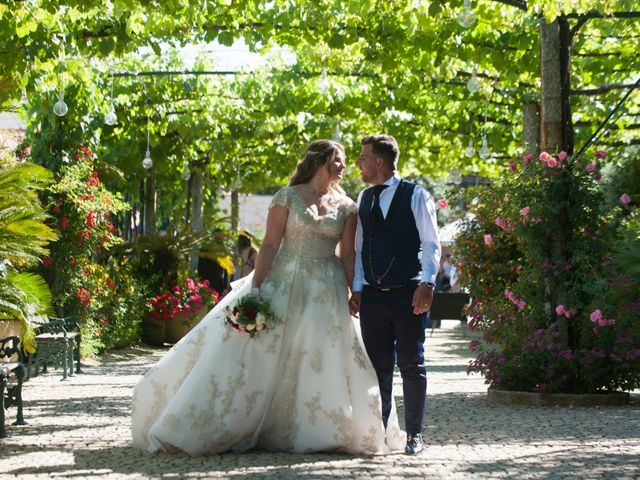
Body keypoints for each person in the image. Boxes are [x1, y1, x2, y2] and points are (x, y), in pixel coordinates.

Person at [131, 139, 404, 455]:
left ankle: (317, 426)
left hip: (326, 288)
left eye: (344, 160)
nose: (345, 166)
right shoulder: (286, 197)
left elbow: (346, 255)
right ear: (319, 161)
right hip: (284, 280)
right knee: (261, 350)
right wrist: (257, 288)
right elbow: (271, 245)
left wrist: (354, 290)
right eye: (339, 159)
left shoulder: (347, 207)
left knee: (319, 351)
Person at [349, 135, 440, 455]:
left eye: (363, 157)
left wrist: (427, 283)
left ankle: (415, 434)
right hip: (373, 296)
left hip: (408, 294)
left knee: (412, 364)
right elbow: (360, 248)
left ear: (380, 162)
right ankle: (381, 432)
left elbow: (431, 242)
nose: (358, 163)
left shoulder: (416, 195)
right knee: (378, 368)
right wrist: (358, 289)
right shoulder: (363, 198)